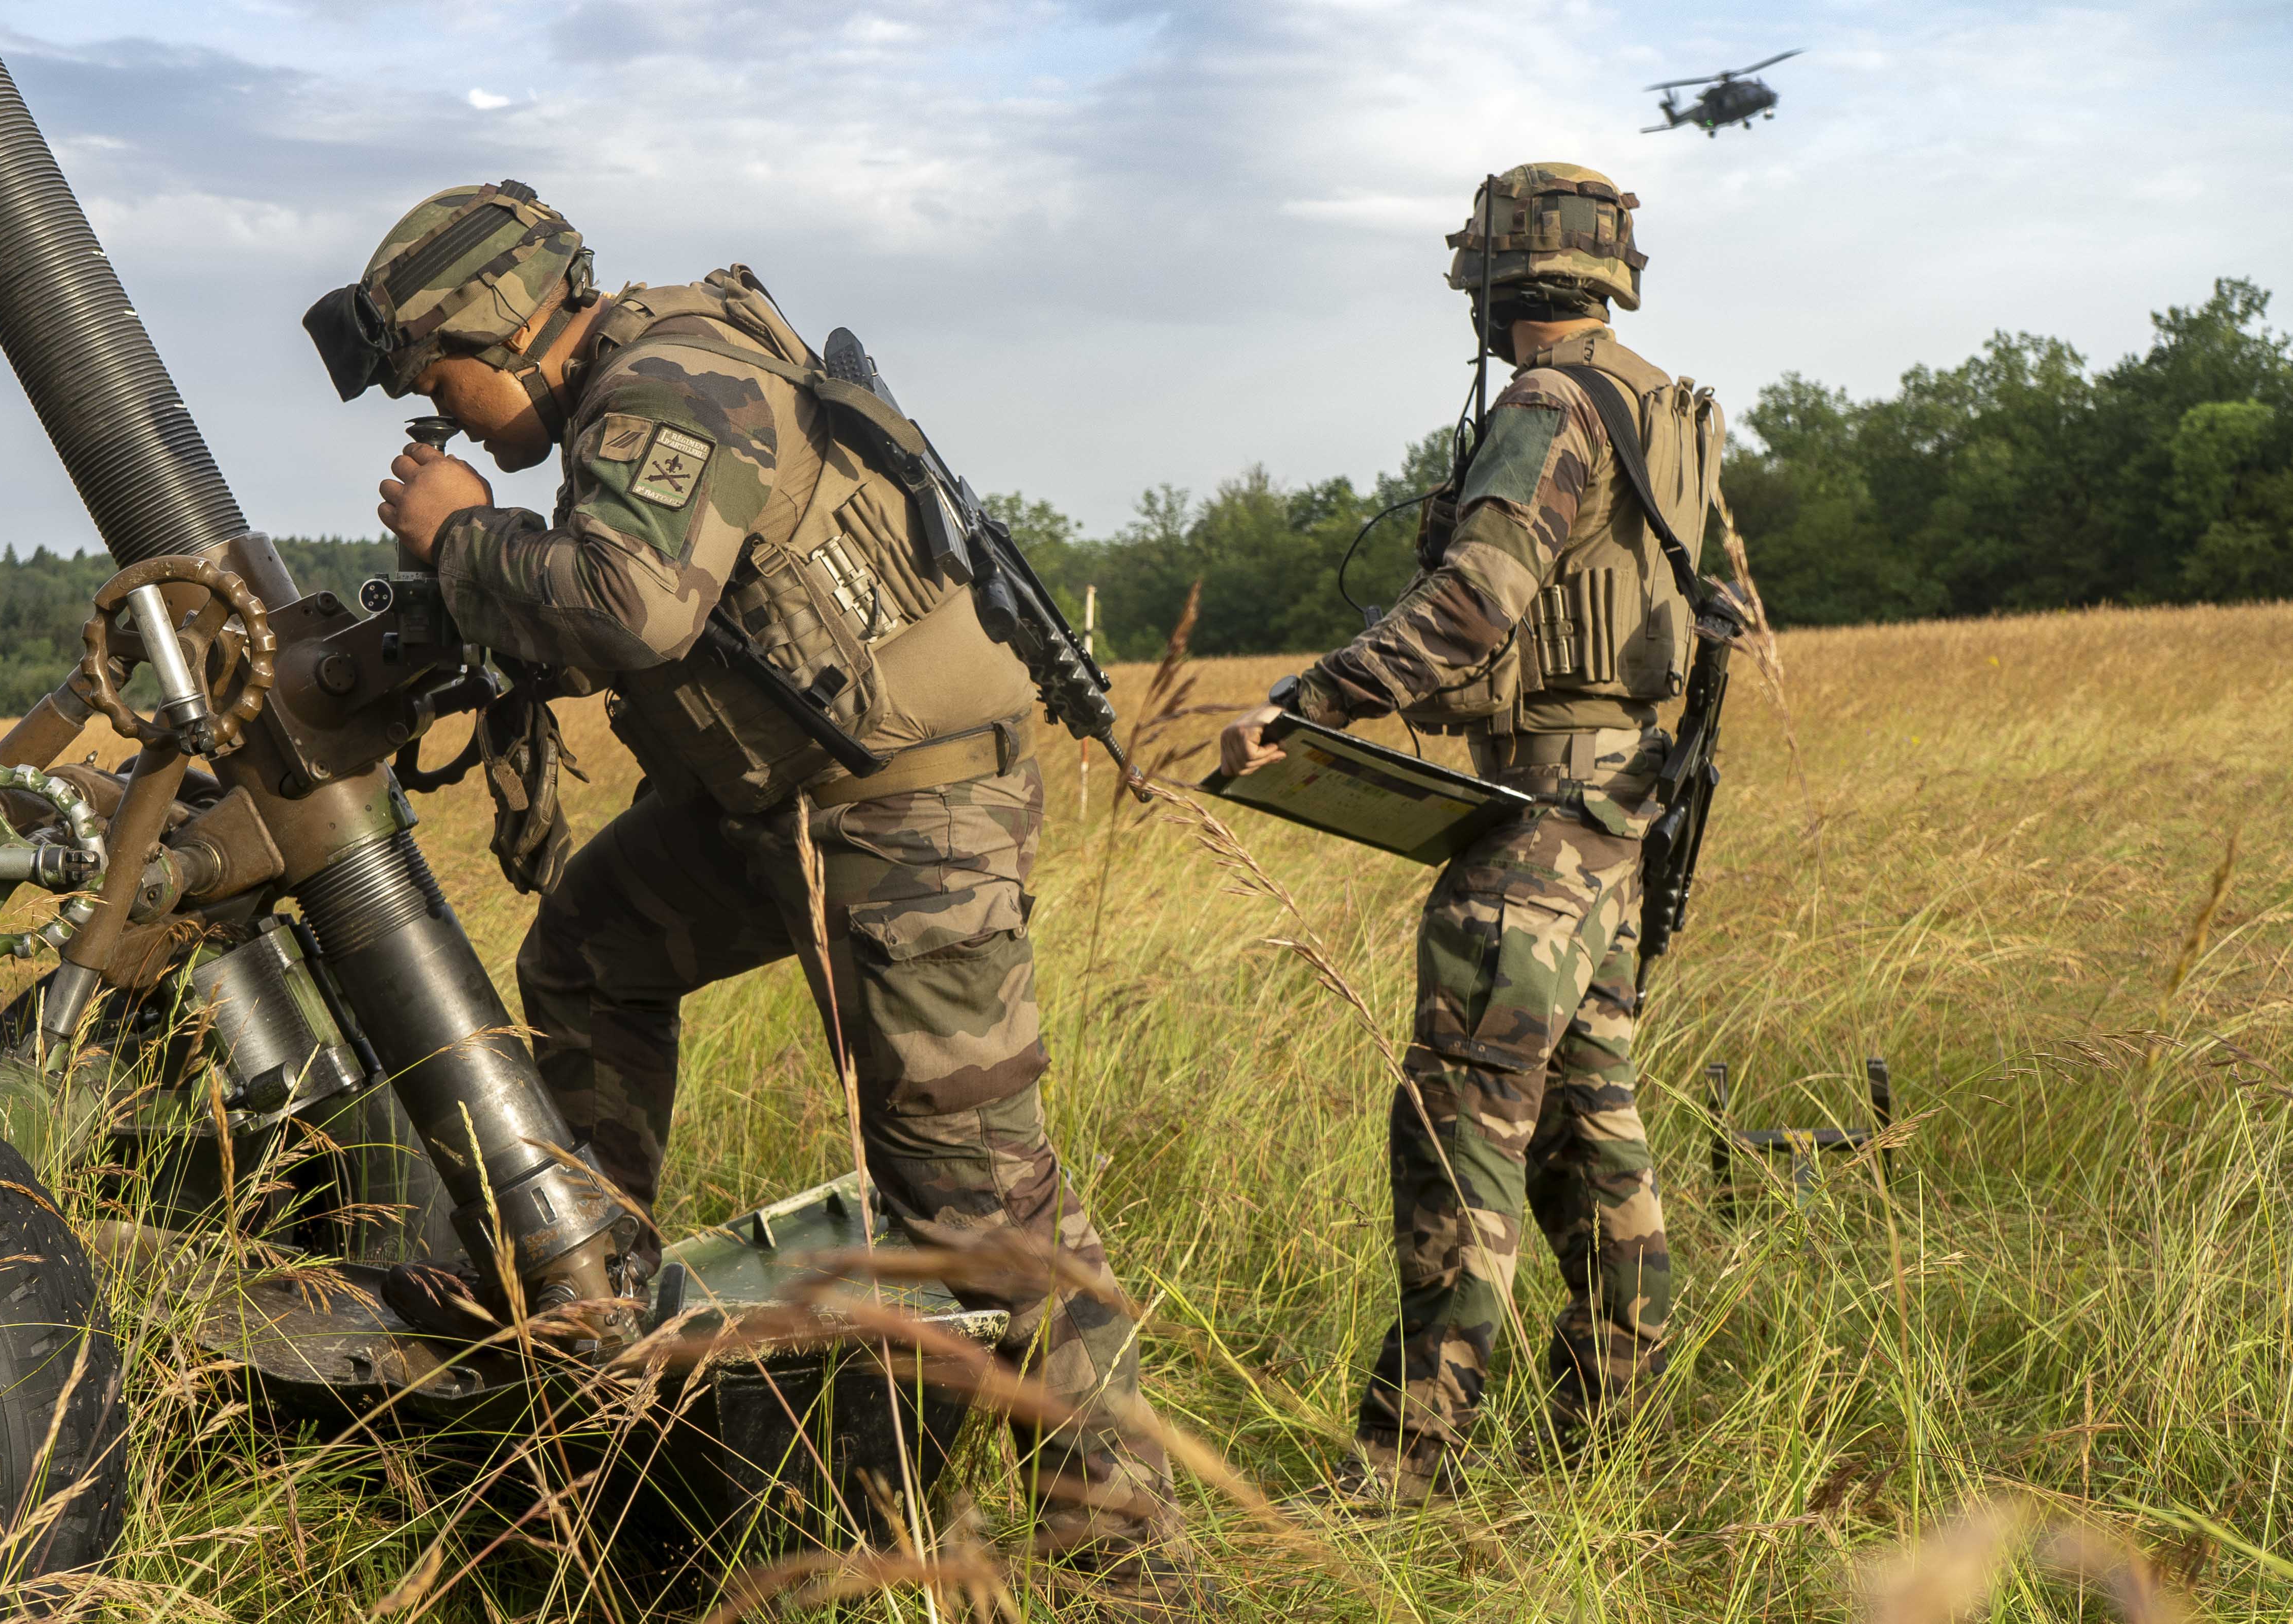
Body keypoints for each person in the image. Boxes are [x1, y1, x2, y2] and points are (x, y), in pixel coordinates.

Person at [303, 181, 1216, 1614]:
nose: (450, 422)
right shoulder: (636, 384)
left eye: (442, 383)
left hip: (905, 820)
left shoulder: (670, 381)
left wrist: (461, 538)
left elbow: (630, 604)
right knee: (592, 952)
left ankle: (1132, 1570)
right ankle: (585, 1291)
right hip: (783, 804)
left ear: (506, 323)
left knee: (980, 1206)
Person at [1219, 161, 1722, 1507]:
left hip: (1543, 828)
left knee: (1458, 1126)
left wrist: (1304, 703)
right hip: (1615, 810)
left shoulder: (1549, 406)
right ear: (1612, 268)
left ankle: (1404, 1462)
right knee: (1587, 1119)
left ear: (1492, 276)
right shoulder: (1658, 403)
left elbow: (1472, 605)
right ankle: (1616, 1430)